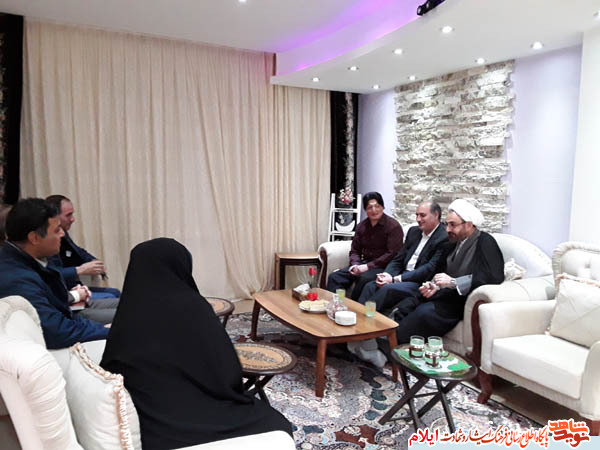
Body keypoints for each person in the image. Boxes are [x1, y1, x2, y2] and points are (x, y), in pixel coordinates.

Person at [100, 238, 293, 449]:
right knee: (278, 424)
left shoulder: (128, 310)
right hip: (192, 418)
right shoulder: (192, 307)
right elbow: (225, 369)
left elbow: (111, 364)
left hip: (146, 418)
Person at [351, 199, 504, 367]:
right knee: (407, 305)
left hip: (458, 301)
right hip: (441, 293)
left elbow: (492, 277)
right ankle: (372, 340)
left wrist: (453, 282)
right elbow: (438, 271)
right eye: (447, 224)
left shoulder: (485, 242)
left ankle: (387, 352)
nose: (448, 229)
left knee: (424, 313)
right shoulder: (453, 242)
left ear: (468, 225)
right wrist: (433, 285)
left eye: (453, 225)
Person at [0, 198, 111, 348]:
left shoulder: (35, 258)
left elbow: (63, 316)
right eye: (57, 230)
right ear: (35, 238)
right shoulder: (17, 279)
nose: (62, 234)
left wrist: (102, 329)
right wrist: (106, 331)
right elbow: (57, 332)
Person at [357, 201, 448, 312]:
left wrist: (394, 279)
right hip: (401, 275)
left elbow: (429, 268)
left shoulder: (444, 237)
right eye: (417, 215)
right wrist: (387, 274)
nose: (418, 219)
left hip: (419, 282)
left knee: (387, 289)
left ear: (436, 215)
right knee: (370, 285)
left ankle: (367, 317)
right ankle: (358, 316)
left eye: (422, 215)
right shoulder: (413, 231)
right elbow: (399, 258)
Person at [326, 192, 404, 300]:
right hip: (364, 264)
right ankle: (338, 305)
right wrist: (355, 265)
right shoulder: (361, 226)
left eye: (377, 206)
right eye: (369, 207)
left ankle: (355, 307)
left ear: (383, 207)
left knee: (363, 278)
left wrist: (367, 267)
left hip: (384, 266)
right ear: (365, 210)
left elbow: (392, 254)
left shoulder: (393, 226)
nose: (374, 210)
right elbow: (355, 250)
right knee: (335, 277)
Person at [45, 194, 121, 298]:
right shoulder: (47, 241)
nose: (73, 219)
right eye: (68, 215)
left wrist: (94, 261)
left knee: (116, 293)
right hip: (62, 293)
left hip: (74, 287)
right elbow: (51, 274)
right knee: (110, 297)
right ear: (54, 217)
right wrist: (80, 270)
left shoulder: (63, 233)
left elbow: (77, 251)